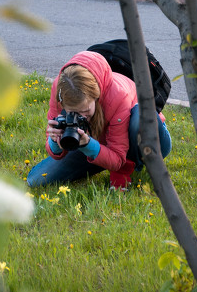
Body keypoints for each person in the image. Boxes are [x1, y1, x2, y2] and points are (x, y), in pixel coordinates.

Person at [26, 50, 171, 190]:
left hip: (150, 142)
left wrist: (88, 144)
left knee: (140, 118)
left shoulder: (119, 95)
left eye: (85, 110)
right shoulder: (60, 89)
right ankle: (100, 156)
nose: (81, 116)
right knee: (36, 180)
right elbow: (56, 151)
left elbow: (118, 159)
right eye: (74, 112)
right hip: (96, 142)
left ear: (96, 97)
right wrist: (55, 140)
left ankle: (128, 168)